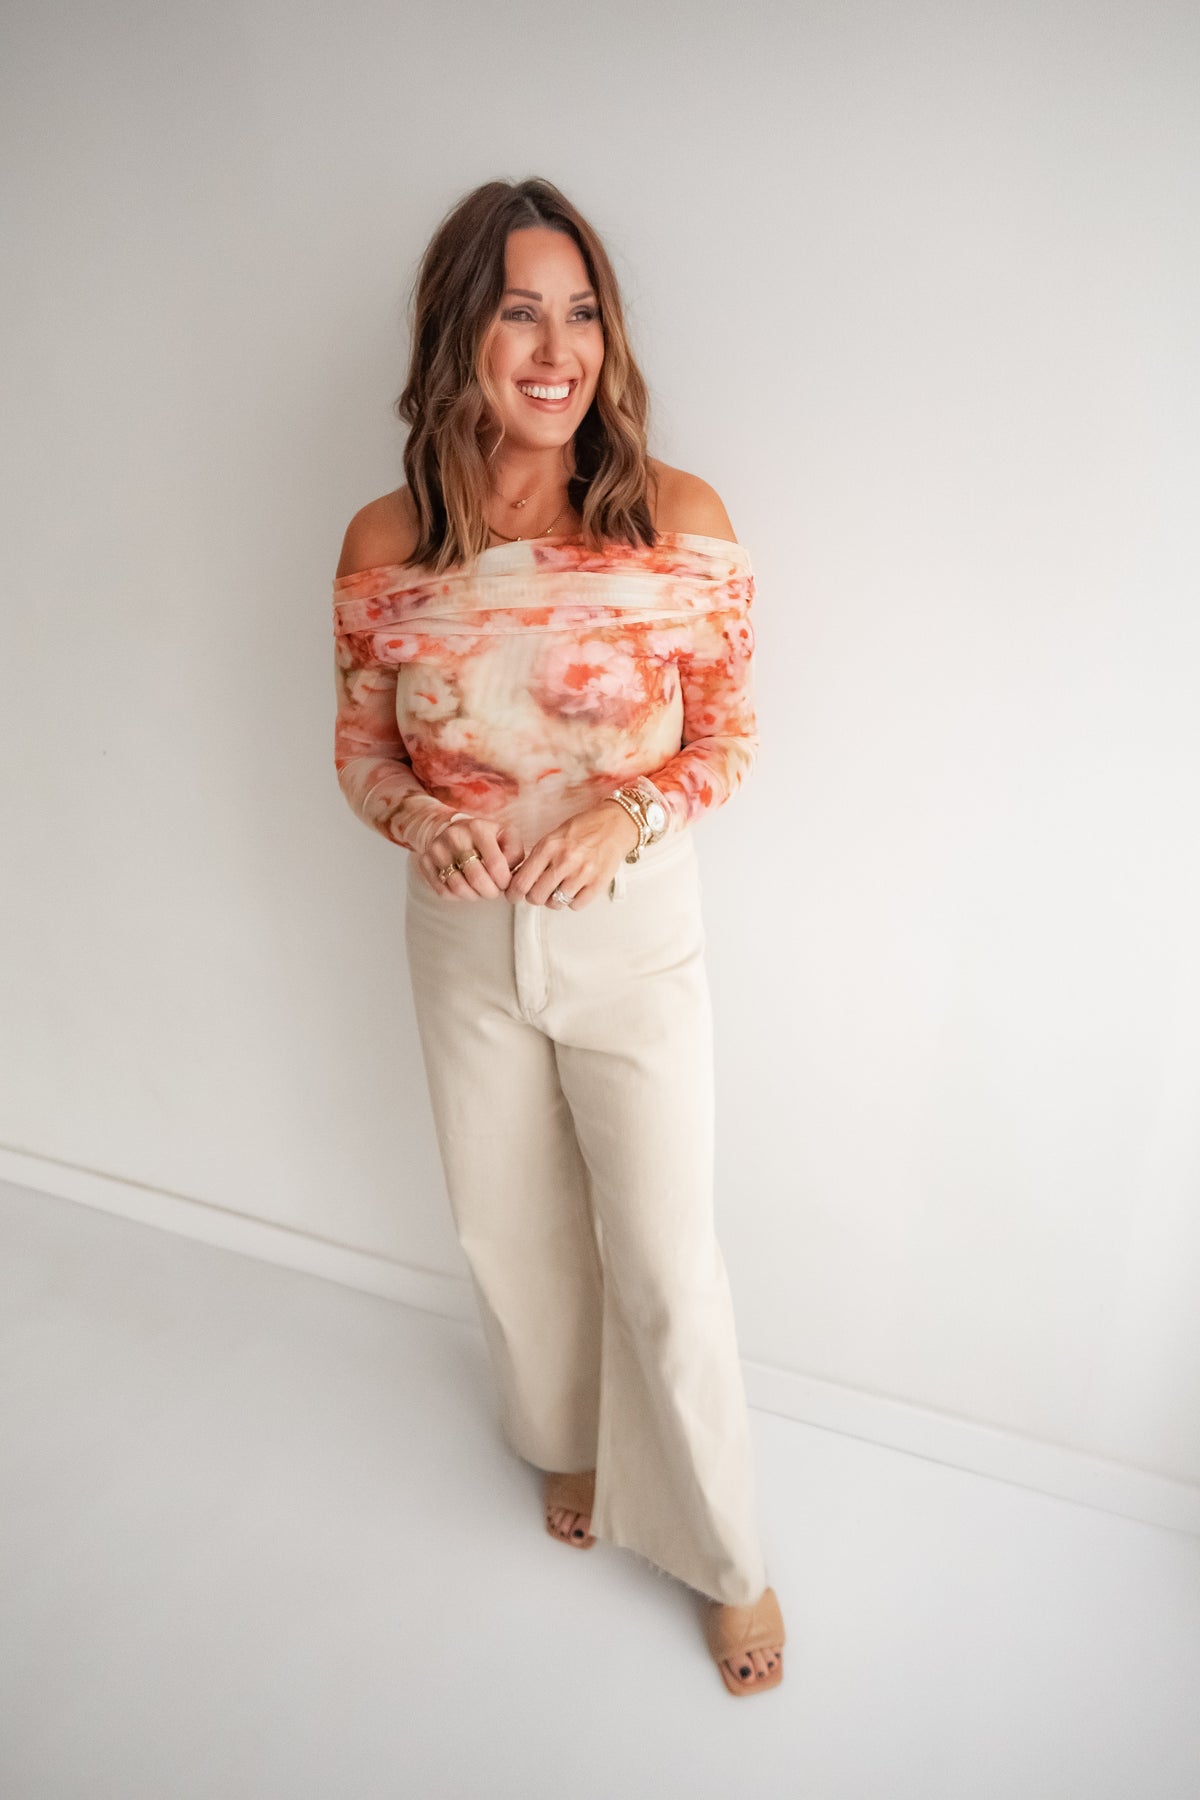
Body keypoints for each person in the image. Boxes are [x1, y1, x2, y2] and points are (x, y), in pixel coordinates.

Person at [331, 176, 785, 1696]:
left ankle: (727, 1555)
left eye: (581, 312)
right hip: (461, 939)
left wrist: (630, 814)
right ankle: (566, 1441)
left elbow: (728, 736)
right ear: (458, 331)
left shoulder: (679, 519)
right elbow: (362, 752)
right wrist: (419, 819)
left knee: (665, 1255)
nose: (555, 348)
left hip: (629, 938)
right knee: (508, 1231)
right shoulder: (388, 538)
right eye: (520, 310)